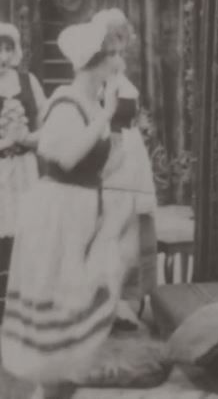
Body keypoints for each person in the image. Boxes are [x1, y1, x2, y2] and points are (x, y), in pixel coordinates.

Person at [0, 21, 147, 397]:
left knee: (78, 323)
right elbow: (64, 157)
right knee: (60, 322)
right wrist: (105, 116)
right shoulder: (67, 100)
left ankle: (57, 391)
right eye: (113, 54)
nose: (119, 62)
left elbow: (98, 166)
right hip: (58, 216)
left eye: (119, 53)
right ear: (92, 61)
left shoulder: (93, 102)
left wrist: (120, 136)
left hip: (81, 210)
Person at [91, 8, 158, 324]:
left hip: (132, 152)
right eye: (112, 42)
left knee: (132, 230)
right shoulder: (98, 78)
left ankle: (125, 298)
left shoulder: (122, 75)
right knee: (109, 226)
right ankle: (103, 301)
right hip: (110, 151)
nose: (118, 48)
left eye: (121, 40)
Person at [0, 22, 46, 324]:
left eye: (8, 49)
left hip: (26, 170)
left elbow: (46, 127)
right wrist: (5, 142)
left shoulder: (29, 82)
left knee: (25, 234)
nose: (2, 56)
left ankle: (23, 305)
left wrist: (26, 138)